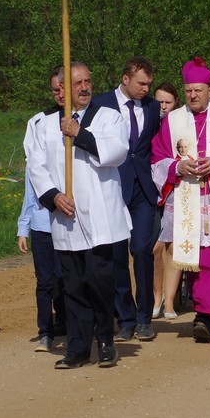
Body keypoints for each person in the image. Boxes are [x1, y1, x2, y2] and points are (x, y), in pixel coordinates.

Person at [26, 62, 131, 369]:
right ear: (62, 89)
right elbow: (36, 167)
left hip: (100, 217)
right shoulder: (43, 124)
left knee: (99, 281)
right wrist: (53, 196)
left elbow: (117, 151)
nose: (85, 87)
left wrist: (80, 134)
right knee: (72, 285)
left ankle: (106, 341)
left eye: (88, 81)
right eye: (77, 83)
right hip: (66, 217)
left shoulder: (108, 117)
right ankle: (78, 347)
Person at [150, 58, 210, 343]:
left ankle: (207, 314)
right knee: (193, 259)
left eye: (198, 90)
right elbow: (157, 158)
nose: (193, 95)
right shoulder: (173, 121)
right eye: (188, 91)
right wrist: (177, 167)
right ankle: (205, 314)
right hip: (186, 197)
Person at [89, 57, 162, 342]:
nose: (146, 89)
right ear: (125, 79)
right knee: (117, 255)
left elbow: (153, 145)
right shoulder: (101, 104)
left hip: (143, 189)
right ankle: (125, 318)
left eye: (149, 84)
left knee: (142, 250)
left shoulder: (153, 108)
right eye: (142, 83)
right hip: (113, 186)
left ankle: (145, 317)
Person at [19, 69, 68, 352]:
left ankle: (67, 322)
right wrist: (23, 225)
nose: (60, 94)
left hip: (69, 220)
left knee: (67, 278)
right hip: (41, 222)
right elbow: (31, 182)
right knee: (45, 281)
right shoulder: (38, 122)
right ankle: (45, 331)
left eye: (65, 88)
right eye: (55, 90)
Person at [149, 82, 181, 319]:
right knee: (153, 247)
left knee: (173, 245)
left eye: (167, 102)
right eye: (159, 101)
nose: (163, 107)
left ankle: (169, 301)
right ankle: (155, 296)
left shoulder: (180, 125)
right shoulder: (148, 124)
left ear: (175, 103)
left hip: (175, 188)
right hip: (150, 190)